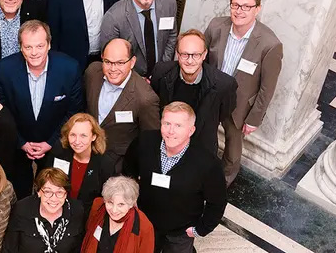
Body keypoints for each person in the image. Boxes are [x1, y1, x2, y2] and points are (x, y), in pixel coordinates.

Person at [123, 102, 227, 253]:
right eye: (167, 124)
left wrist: (200, 229)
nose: (171, 131)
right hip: (146, 223)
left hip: (181, 232)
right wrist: (131, 200)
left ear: (191, 130)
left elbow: (217, 202)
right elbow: (128, 171)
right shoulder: (145, 142)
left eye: (178, 125)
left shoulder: (207, 163)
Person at [204, 0, 283, 186]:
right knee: (204, 139)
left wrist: (254, 118)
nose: (240, 11)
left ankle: (221, 184)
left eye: (246, 6)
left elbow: (267, 87)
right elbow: (203, 60)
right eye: (235, 5)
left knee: (232, 150)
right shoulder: (216, 26)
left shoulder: (270, 44)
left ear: (257, 9)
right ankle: (202, 174)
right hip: (211, 96)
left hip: (239, 106)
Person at [0, 20, 82, 197]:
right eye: (28, 47)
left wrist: (51, 142)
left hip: (55, 142)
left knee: (54, 193)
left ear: (49, 44)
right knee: (18, 194)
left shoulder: (69, 68)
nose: (34, 53)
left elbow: (73, 112)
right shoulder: (5, 69)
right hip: (17, 142)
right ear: (20, 47)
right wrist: (21, 142)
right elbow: (1, 111)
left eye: (40, 46)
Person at [150, 29, 237, 154]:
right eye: (185, 54)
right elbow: (155, 104)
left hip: (201, 147)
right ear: (177, 54)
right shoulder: (161, 72)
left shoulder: (224, 85)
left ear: (204, 54)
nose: (190, 61)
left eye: (195, 55)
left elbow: (224, 112)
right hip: (166, 142)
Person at [83, 38, 160, 173]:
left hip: (118, 165)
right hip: (86, 153)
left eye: (120, 63)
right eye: (107, 62)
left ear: (132, 62)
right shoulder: (92, 73)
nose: (113, 69)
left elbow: (150, 141)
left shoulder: (145, 99)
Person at [99, 0, 178, 77]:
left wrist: (162, 69)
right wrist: (137, 80)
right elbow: (110, 61)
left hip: (161, 76)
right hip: (131, 79)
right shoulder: (113, 18)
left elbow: (171, 35)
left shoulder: (169, 3)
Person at [1, 168, 85, 253]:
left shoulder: (77, 211)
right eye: (48, 192)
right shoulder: (22, 210)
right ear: (39, 192)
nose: (54, 198)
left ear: (66, 194)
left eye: (59, 192)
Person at [45, 113, 114, 211]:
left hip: (87, 216)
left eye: (83, 136)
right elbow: (46, 182)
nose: (77, 141)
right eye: (73, 135)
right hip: (56, 210)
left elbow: (107, 199)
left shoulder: (105, 164)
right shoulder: (58, 152)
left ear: (93, 136)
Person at [79, 176, 154, 253]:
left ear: (132, 203)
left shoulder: (144, 227)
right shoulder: (97, 207)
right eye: (110, 202)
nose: (114, 210)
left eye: (121, 204)